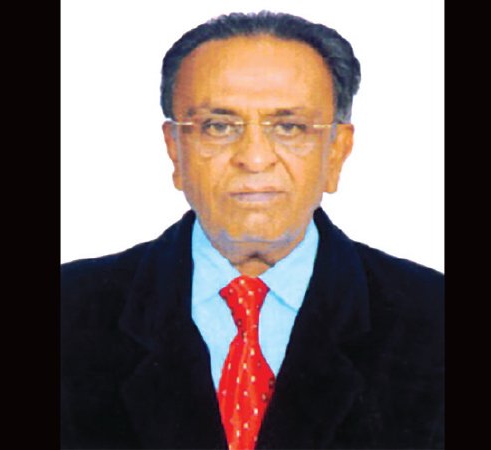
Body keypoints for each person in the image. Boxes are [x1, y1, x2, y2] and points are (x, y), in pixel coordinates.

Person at [61, 11, 444, 450]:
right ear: (175, 149)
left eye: (289, 127)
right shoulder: (71, 311)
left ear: (336, 151)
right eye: (219, 126)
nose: (255, 158)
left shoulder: (432, 318)